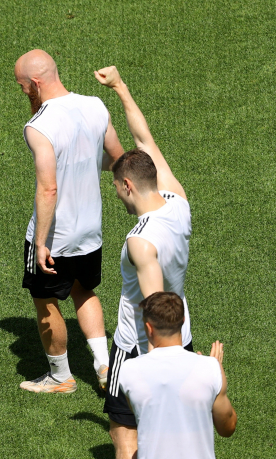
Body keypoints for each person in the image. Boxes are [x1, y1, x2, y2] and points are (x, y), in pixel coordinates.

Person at [95, 66, 194, 456]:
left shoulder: (141, 241)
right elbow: (144, 139)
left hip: (140, 347)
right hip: (181, 339)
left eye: (116, 188)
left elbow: (155, 305)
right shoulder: (178, 202)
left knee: (124, 431)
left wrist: (157, 368)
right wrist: (120, 87)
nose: (117, 194)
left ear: (127, 185)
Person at [14, 50, 124, 394]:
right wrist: (86, 161)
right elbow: (117, 159)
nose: (23, 92)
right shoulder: (95, 105)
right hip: (90, 230)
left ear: (35, 83)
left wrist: (41, 242)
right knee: (83, 291)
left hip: (56, 236)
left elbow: (48, 189)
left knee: (45, 300)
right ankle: (104, 364)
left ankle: (61, 377)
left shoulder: (38, 126)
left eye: (22, 86)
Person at [118, 292, 237, 459]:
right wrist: (212, 377)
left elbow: (142, 413)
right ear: (183, 321)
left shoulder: (129, 370)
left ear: (149, 328)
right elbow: (227, 428)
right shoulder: (210, 368)